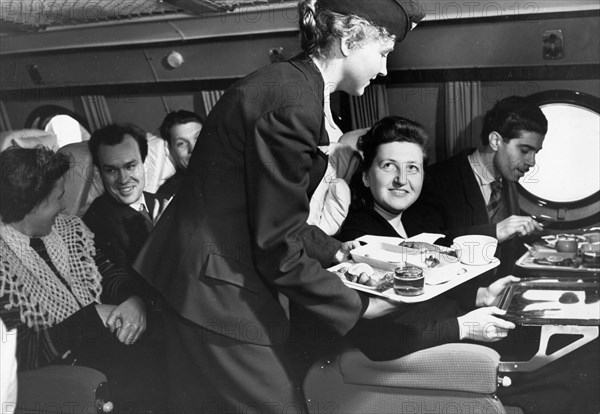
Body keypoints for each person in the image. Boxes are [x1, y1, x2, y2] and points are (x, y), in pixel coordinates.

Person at [134, 0, 425, 412]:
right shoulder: (293, 104)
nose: (383, 70)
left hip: (192, 275)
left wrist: (335, 250)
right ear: (349, 39)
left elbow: (267, 212)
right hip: (214, 286)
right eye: (382, 52)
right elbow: (276, 243)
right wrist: (358, 305)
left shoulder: (290, 84)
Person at [0, 146, 161, 411]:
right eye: (58, 198)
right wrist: (92, 316)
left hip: (107, 348)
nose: (64, 206)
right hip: (64, 371)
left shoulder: (68, 230)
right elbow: (20, 352)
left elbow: (109, 275)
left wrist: (134, 299)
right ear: (30, 207)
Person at [403, 96, 547, 282]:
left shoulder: (507, 181)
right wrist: (493, 232)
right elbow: (419, 247)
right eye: (525, 150)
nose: (532, 162)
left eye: (536, 152)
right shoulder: (436, 180)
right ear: (495, 141)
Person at [83, 123, 170, 269]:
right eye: (111, 170)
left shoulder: (164, 201)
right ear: (100, 174)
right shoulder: (94, 223)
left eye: (130, 166)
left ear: (145, 164)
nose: (123, 179)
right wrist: (159, 241)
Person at [157, 110, 203, 196]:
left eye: (199, 137)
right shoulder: (168, 196)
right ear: (171, 150)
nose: (193, 148)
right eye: (181, 143)